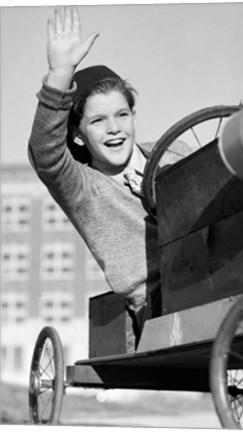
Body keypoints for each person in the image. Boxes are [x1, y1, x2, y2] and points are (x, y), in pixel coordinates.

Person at [28, 6, 162, 344]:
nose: (114, 129)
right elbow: (45, 152)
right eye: (98, 121)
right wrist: (60, 75)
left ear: (133, 115)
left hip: (217, 270)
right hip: (160, 302)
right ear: (77, 134)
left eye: (121, 115)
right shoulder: (83, 187)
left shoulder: (173, 152)